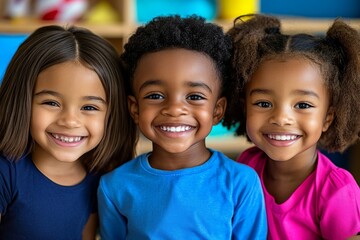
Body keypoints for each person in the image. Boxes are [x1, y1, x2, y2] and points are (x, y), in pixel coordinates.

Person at [97, 15, 267, 239]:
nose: (175, 109)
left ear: (217, 110)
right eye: (155, 95)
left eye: (195, 96)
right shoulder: (115, 186)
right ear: (135, 108)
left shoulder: (241, 183)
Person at [222, 14, 360, 239]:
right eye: (264, 103)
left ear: (328, 117)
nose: (281, 118)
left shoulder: (338, 191)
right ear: (244, 105)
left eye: (303, 104)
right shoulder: (247, 165)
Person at [0, 25, 137, 239]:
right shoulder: (5, 173)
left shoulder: (100, 178)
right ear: (22, 100)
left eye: (89, 108)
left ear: (113, 114)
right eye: (51, 102)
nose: (70, 121)